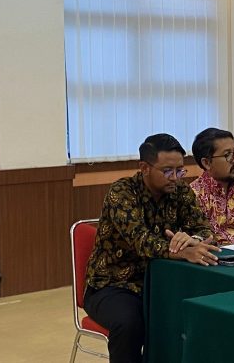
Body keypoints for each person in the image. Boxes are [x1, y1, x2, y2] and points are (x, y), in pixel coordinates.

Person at [83, 133, 220, 363]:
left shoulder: (181, 191)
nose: (175, 178)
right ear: (144, 168)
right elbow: (141, 240)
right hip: (113, 285)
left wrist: (192, 239)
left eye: (180, 170)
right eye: (167, 171)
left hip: (162, 283)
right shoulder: (122, 192)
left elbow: (205, 230)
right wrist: (181, 251)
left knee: (200, 312)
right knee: (129, 323)